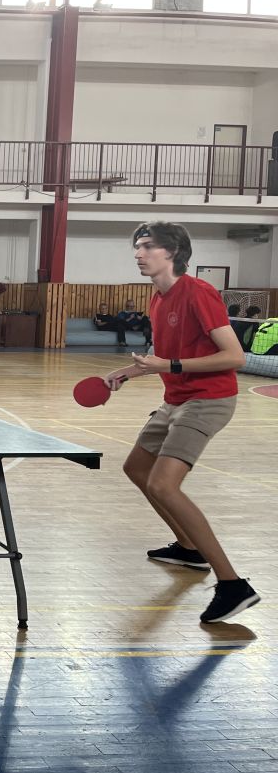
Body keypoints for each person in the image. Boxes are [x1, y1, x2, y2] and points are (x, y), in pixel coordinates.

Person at [103, 221, 257, 624]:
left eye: (147, 246)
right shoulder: (158, 298)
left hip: (208, 400)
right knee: (136, 468)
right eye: (137, 246)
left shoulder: (199, 292)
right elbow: (163, 356)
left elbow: (235, 357)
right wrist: (127, 372)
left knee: (163, 484)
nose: (138, 253)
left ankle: (233, 585)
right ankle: (189, 549)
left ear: (172, 252)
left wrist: (169, 365)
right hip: (175, 399)